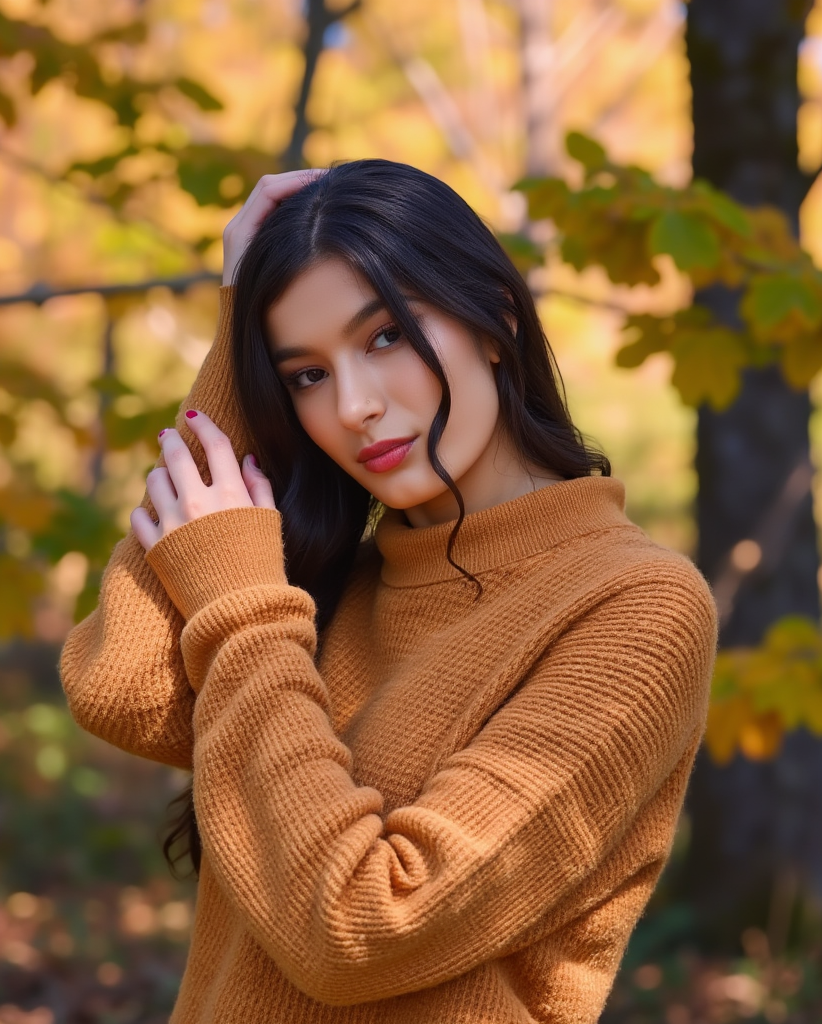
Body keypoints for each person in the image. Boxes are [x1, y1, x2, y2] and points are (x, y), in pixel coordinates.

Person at [60, 160, 718, 1024]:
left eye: (384, 337)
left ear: (496, 319)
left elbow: (363, 927)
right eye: (304, 374)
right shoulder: (336, 578)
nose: (354, 406)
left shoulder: (637, 606)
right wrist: (235, 331)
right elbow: (122, 686)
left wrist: (246, 611)